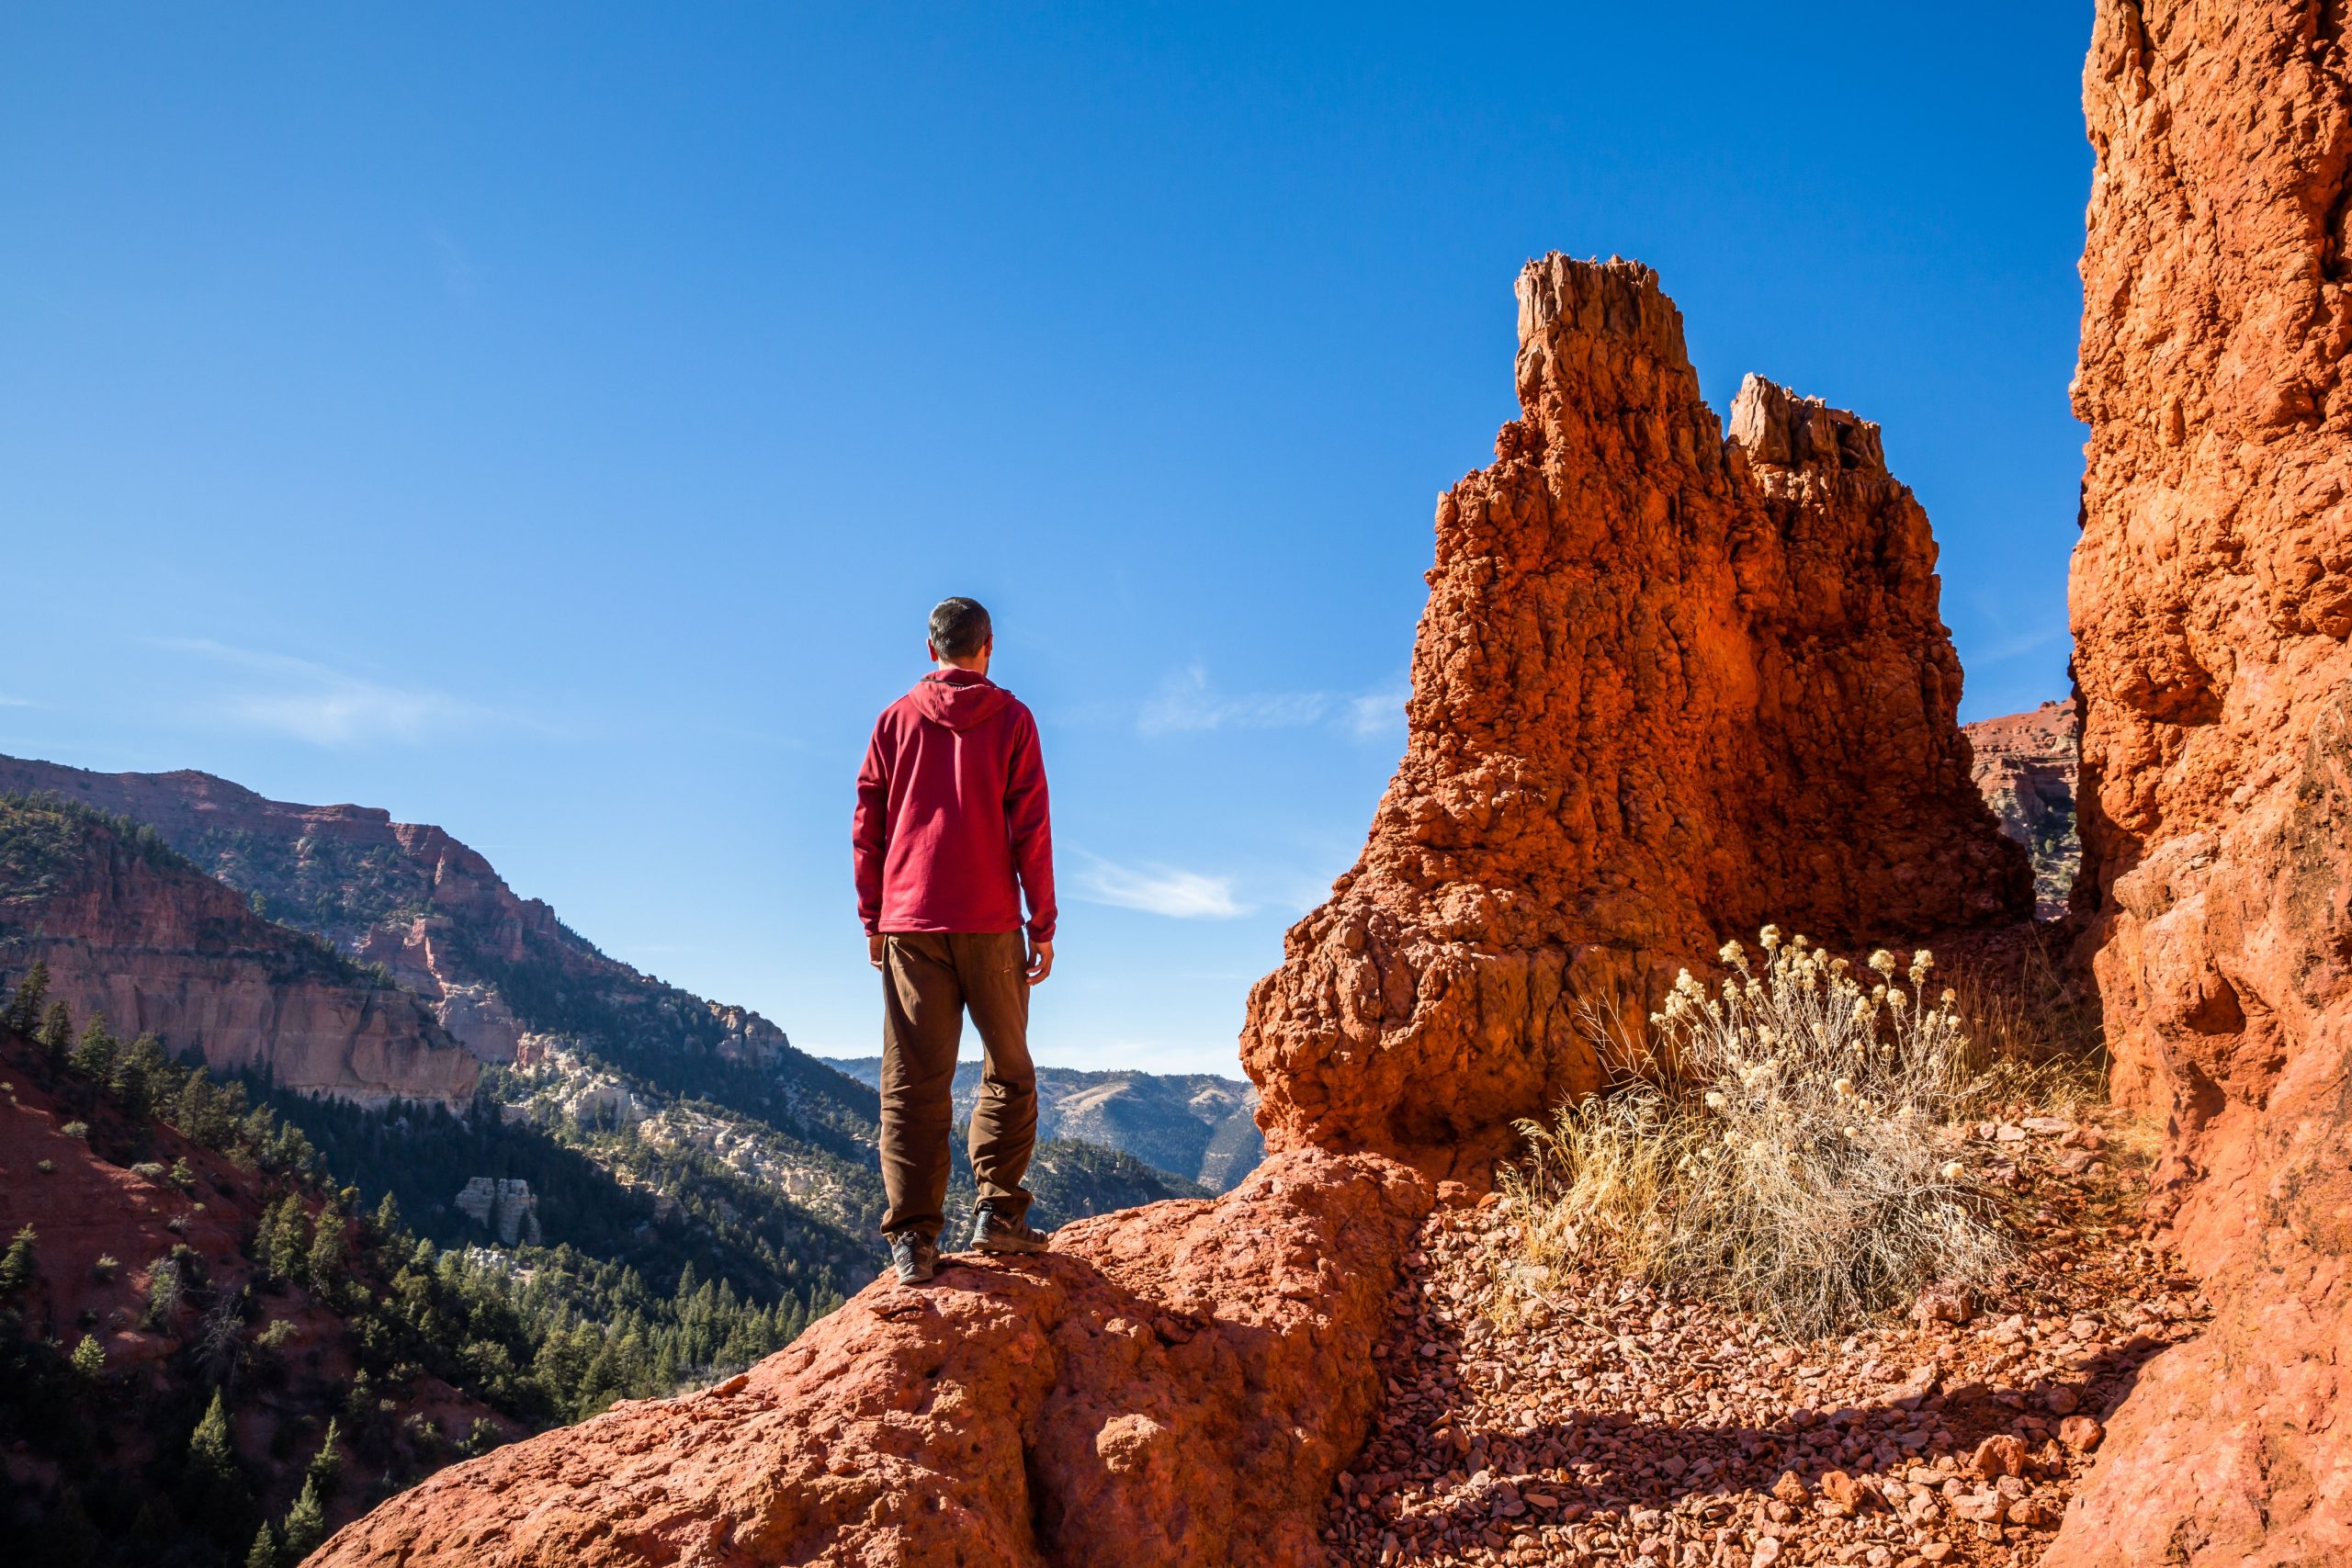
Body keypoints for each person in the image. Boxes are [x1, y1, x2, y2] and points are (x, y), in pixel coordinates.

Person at [853, 596, 1057, 1284]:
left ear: (930, 647)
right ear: (987, 647)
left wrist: (872, 917)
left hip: (911, 924)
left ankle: (914, 1240)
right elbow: (1032, 827)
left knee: (913, 1081)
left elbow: (868, 826)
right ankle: (999, 1214)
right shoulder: (1013, 719)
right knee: (1009, 1066)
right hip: (993, 920)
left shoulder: (894, 720)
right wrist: (1043, 924)